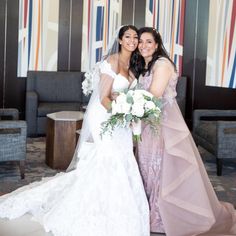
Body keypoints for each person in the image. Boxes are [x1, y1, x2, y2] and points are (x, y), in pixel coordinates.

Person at [0, 25, 150, 236]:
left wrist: (130, 113)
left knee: (123, 157)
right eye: (128, 37)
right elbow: (105, 96)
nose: (133, 41)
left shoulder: (135, 64)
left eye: (136, 37)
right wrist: (121, 113)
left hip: (122, 121)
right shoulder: (111, 61)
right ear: (120, 38)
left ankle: (115, 205)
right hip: (106, 117)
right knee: (109, 157)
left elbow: (129, 94)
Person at [135, 27, 236, 236]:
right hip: (148, 123)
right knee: (146, 166)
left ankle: (161, 215)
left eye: (148, 41)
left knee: (160, 167)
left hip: (161, 124)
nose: (143, 45)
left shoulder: (162, 64)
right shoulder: (146, 65)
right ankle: (148, 208)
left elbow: (153, 95)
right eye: (140, 41)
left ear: (156, 44)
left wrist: (131, 110)